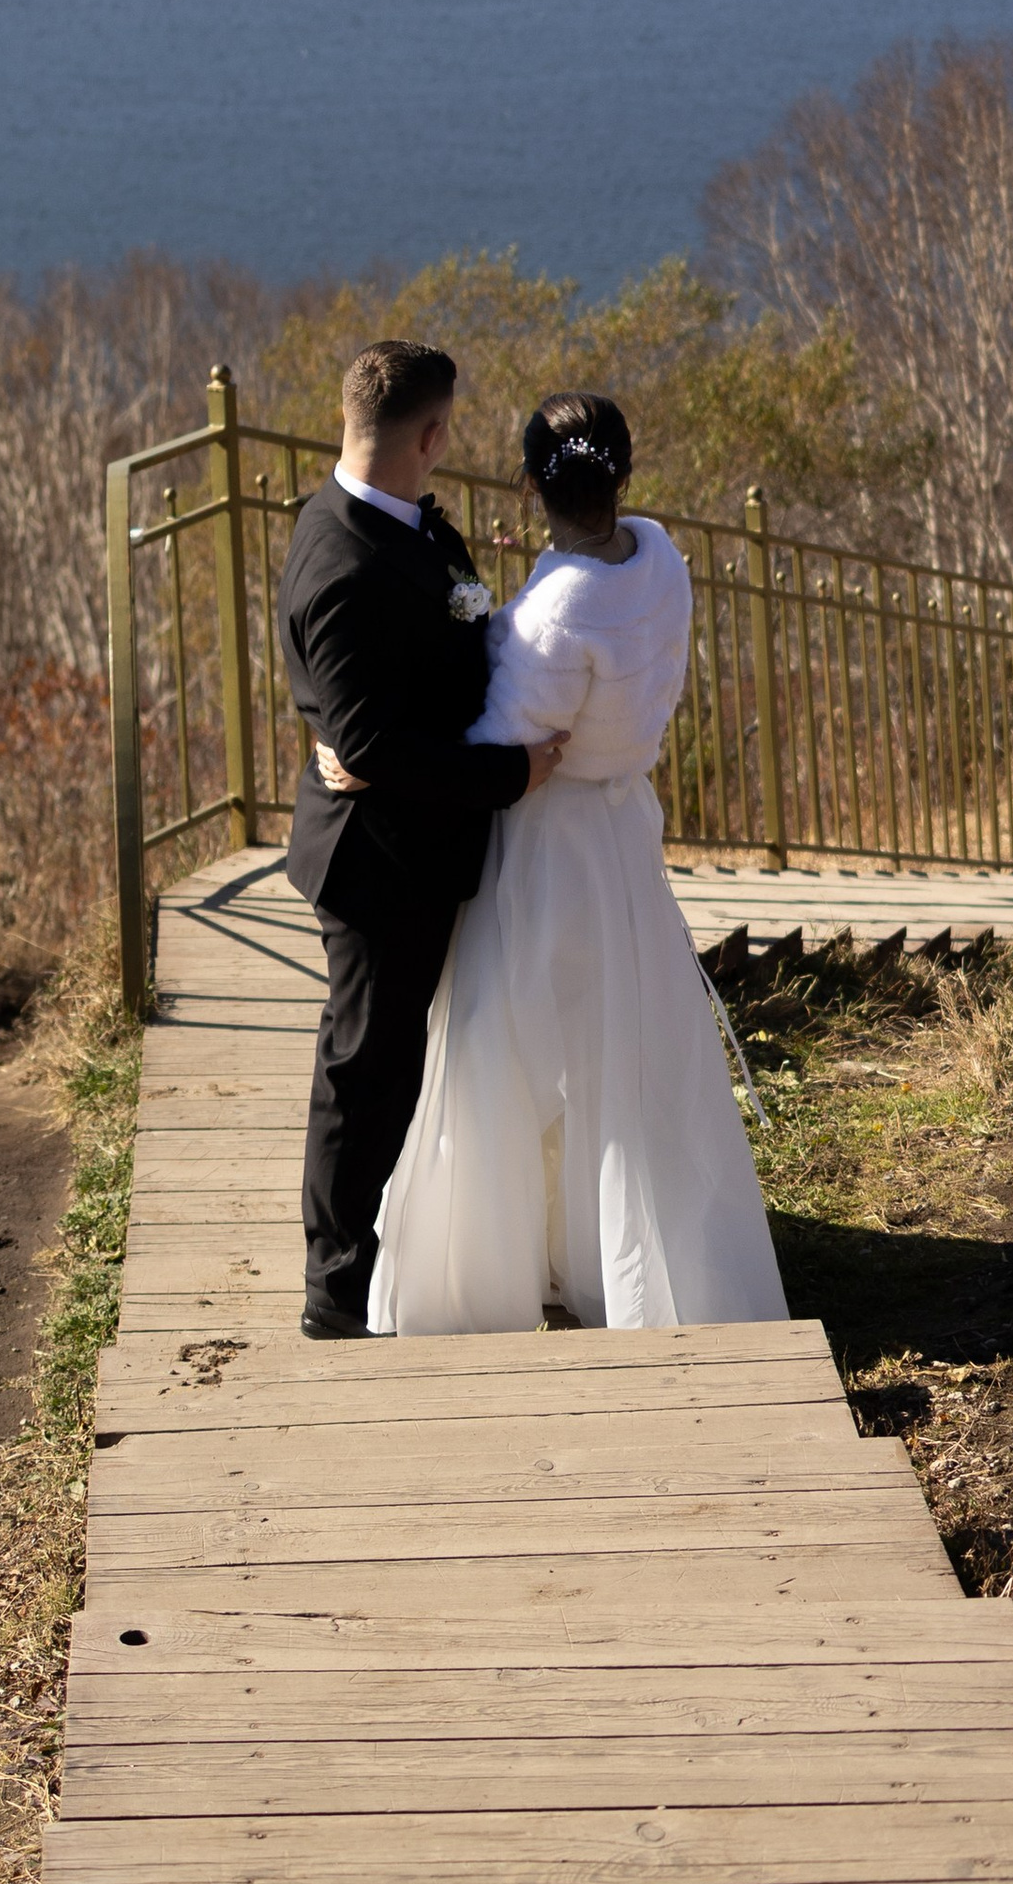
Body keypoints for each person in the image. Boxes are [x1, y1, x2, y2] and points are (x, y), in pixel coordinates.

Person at [353, 391, 790, 1334]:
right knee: (623, 1053)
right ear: (624, 476)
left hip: (545, 846)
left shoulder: (555, 614)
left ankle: (492, 1274)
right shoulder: (660, 558)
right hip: (622, 832)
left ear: (528, 484)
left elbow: (500, 743)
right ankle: (629, 1257)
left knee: (502, 1049)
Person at [276, 339, 568, 1337]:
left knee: (398, 1061)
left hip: (422, 843)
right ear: (433, 434)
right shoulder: (343, 561)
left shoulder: (406, 522)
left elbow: (443, 640)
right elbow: (365, 744)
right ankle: (334, 1292)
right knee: (367, 1070)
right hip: (379, 865)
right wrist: (509, 773)